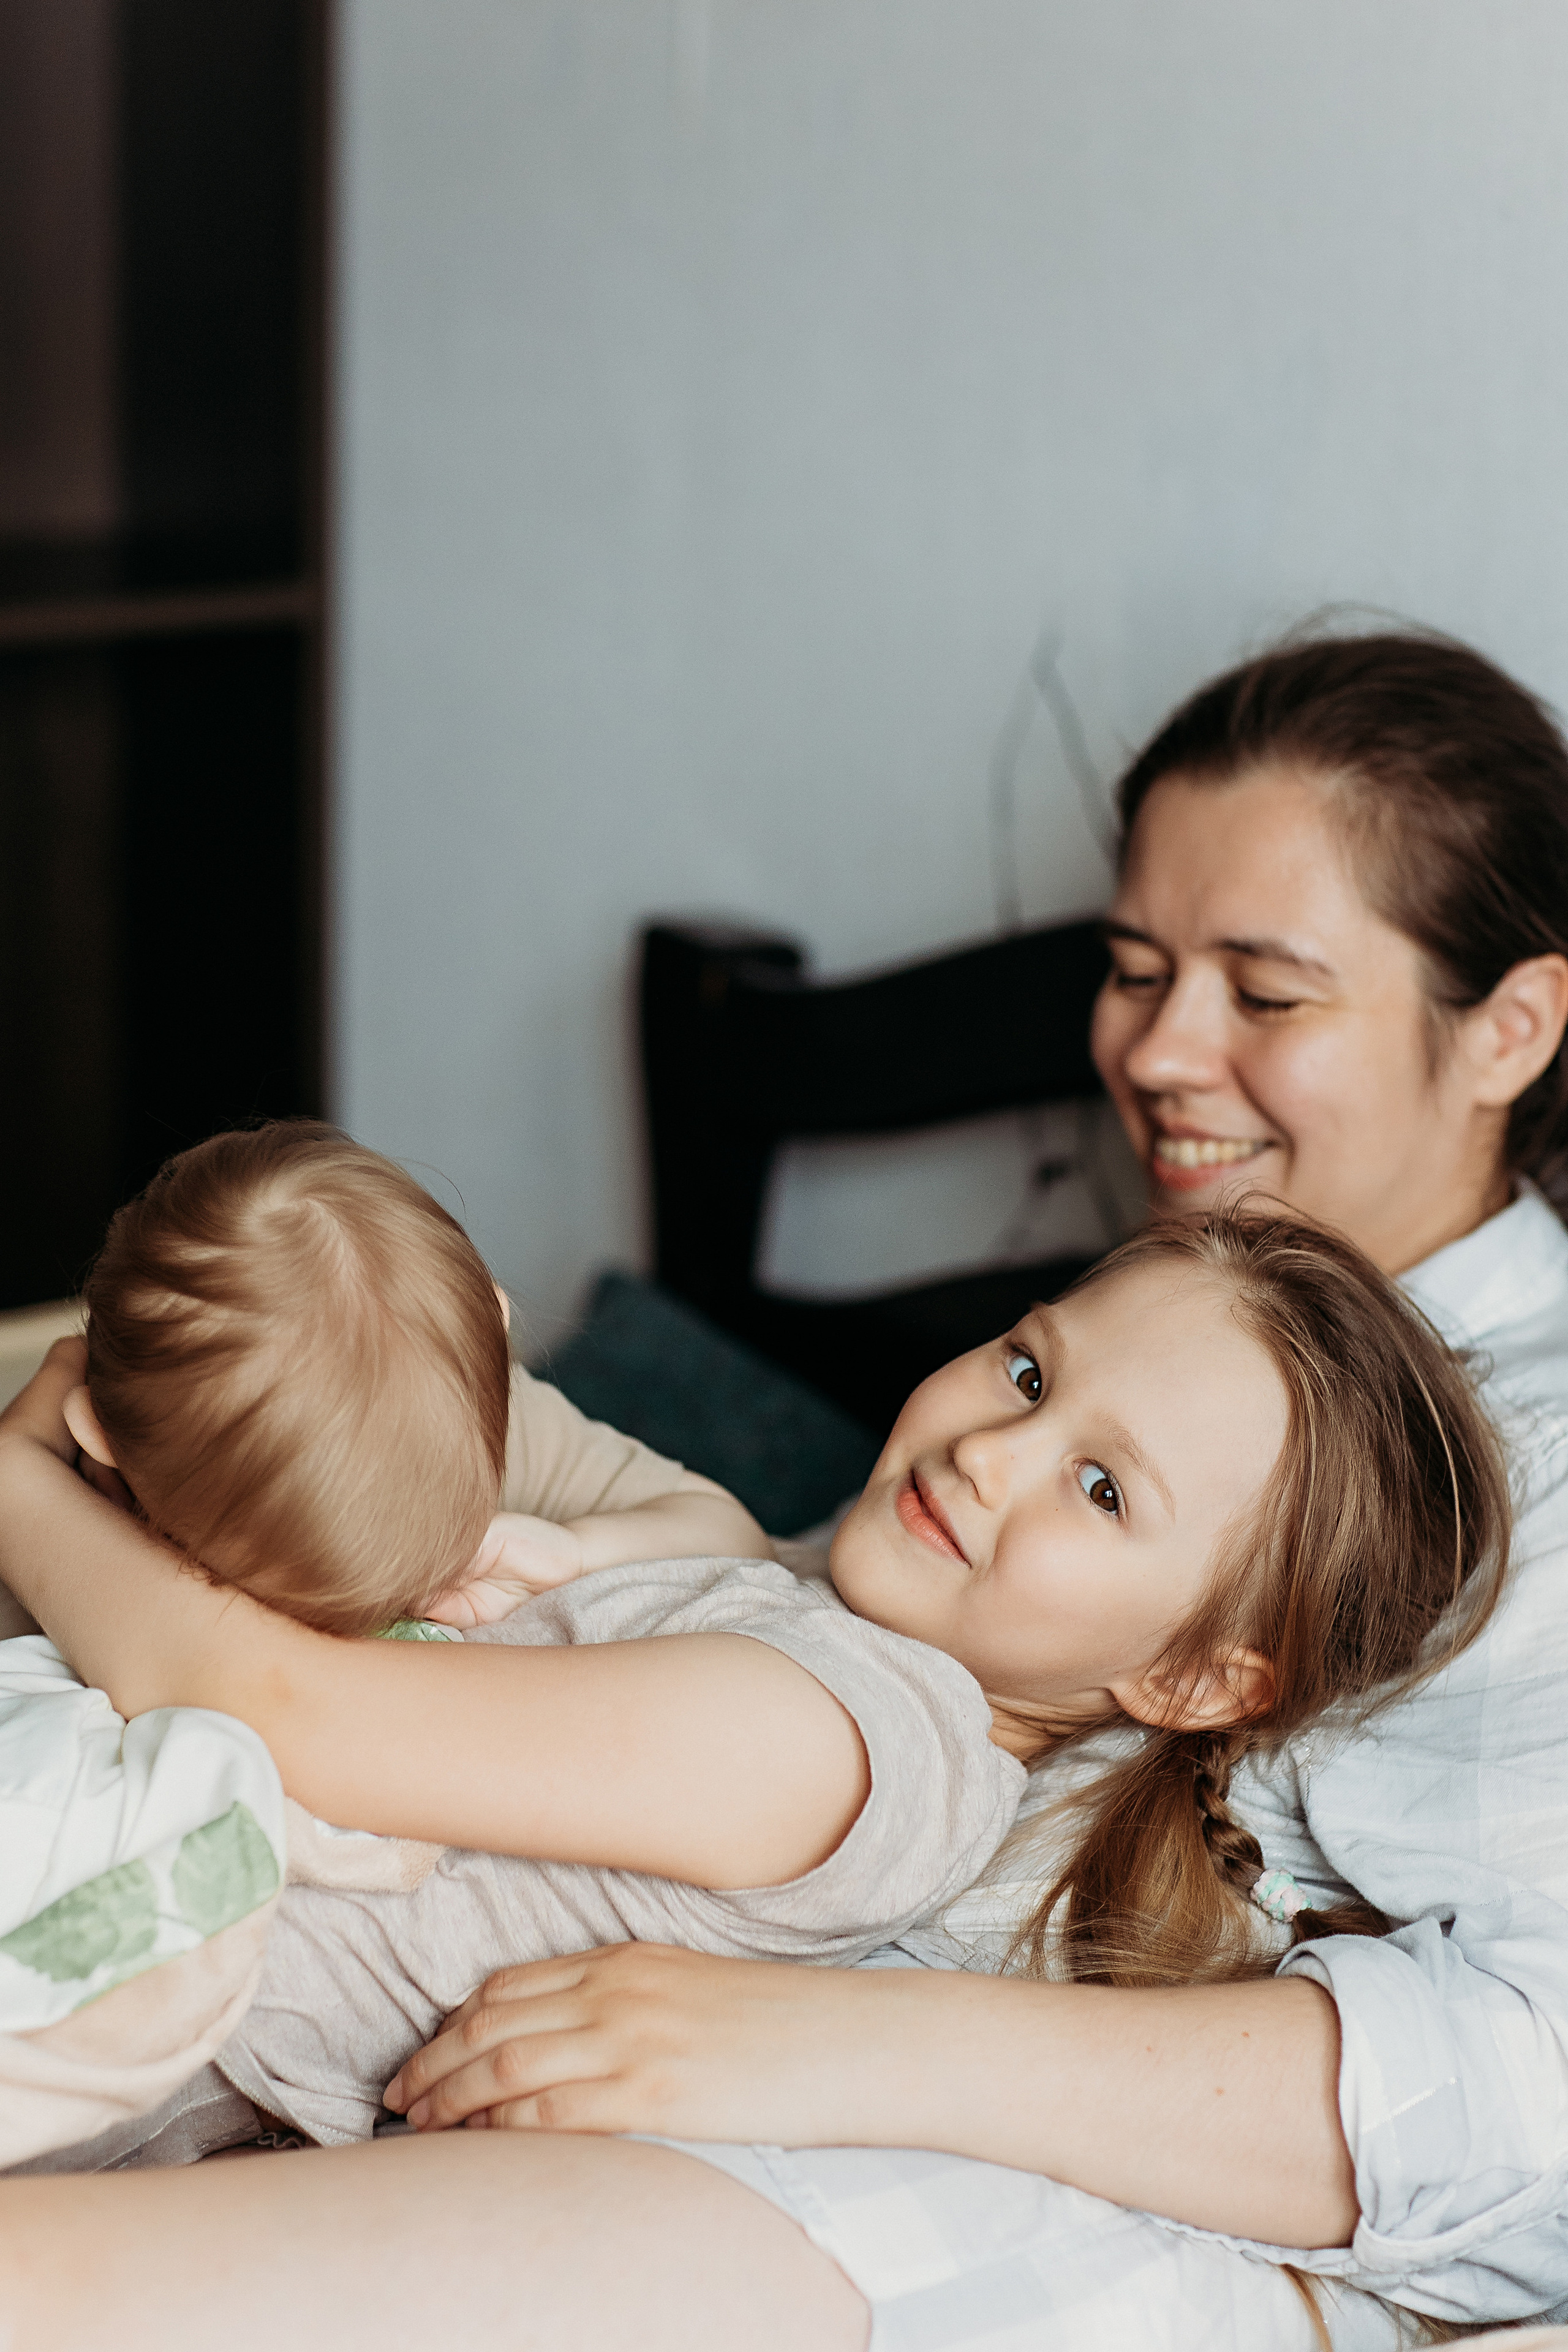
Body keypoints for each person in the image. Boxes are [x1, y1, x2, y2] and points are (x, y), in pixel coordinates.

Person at [4, 625, 1568, 2351]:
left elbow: (1523, 2100)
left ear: (1514, 1023)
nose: (1164, 1057)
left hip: (890, 2097)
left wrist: (814, 2039)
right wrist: (397, 1364)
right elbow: (705, 1544)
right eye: (1133, 970)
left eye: (1267, 993)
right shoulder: (1018, 1476)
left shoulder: (1511, 1471)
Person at [0, 1210, 1505, 2163]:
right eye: (1029, 1374)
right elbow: (510, 1426)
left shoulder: (841, 1747)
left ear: (1185, 1671)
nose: (990, 1450)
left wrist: (13, 1473)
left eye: (1100, 1487)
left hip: (116, 2019)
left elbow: (294, 1710)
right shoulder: (782, 1588)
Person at [50, 1119, 771, 1636]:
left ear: (492, 1343)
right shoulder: (83, 1509)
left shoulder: (506, 1422)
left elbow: (738, 1542)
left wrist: (579, 1549)